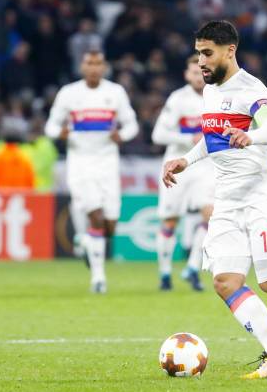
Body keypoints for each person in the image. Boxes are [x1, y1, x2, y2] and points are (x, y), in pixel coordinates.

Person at [163, 20, 267, 379]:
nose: (201, 62)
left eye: (207, 53)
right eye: (197, 54)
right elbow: (211, 137)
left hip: (261, 194)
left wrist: (251, 136)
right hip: (226, 197)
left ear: (230, 50)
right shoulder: (210, 91)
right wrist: (186, 159)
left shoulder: (251, 88)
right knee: (225, 281)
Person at [45, 50, 139, 294]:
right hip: (81, 163)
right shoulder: (69, 93)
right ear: (82, 66)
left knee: (109, 226)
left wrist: (123, 135)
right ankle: (98, 278)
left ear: (104, 67)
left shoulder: (115, 92)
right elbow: (51, 125)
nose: (94, 68)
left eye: (98, 64)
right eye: (90, 63)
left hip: (108, 164)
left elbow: (132, 124)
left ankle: (87, 241)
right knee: (95, 217)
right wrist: (60, 133)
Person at [152, 55, 214, 292]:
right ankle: (165, 274)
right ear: (187, 75)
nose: (198, 76)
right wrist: (188, 138)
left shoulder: (218, 97)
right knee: (170, 220)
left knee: (211, 215)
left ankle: (192, 267)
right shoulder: (177, 99)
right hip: (177, 166)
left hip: (205, 166)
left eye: (202, 71)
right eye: (194, 72)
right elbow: (158, 135)